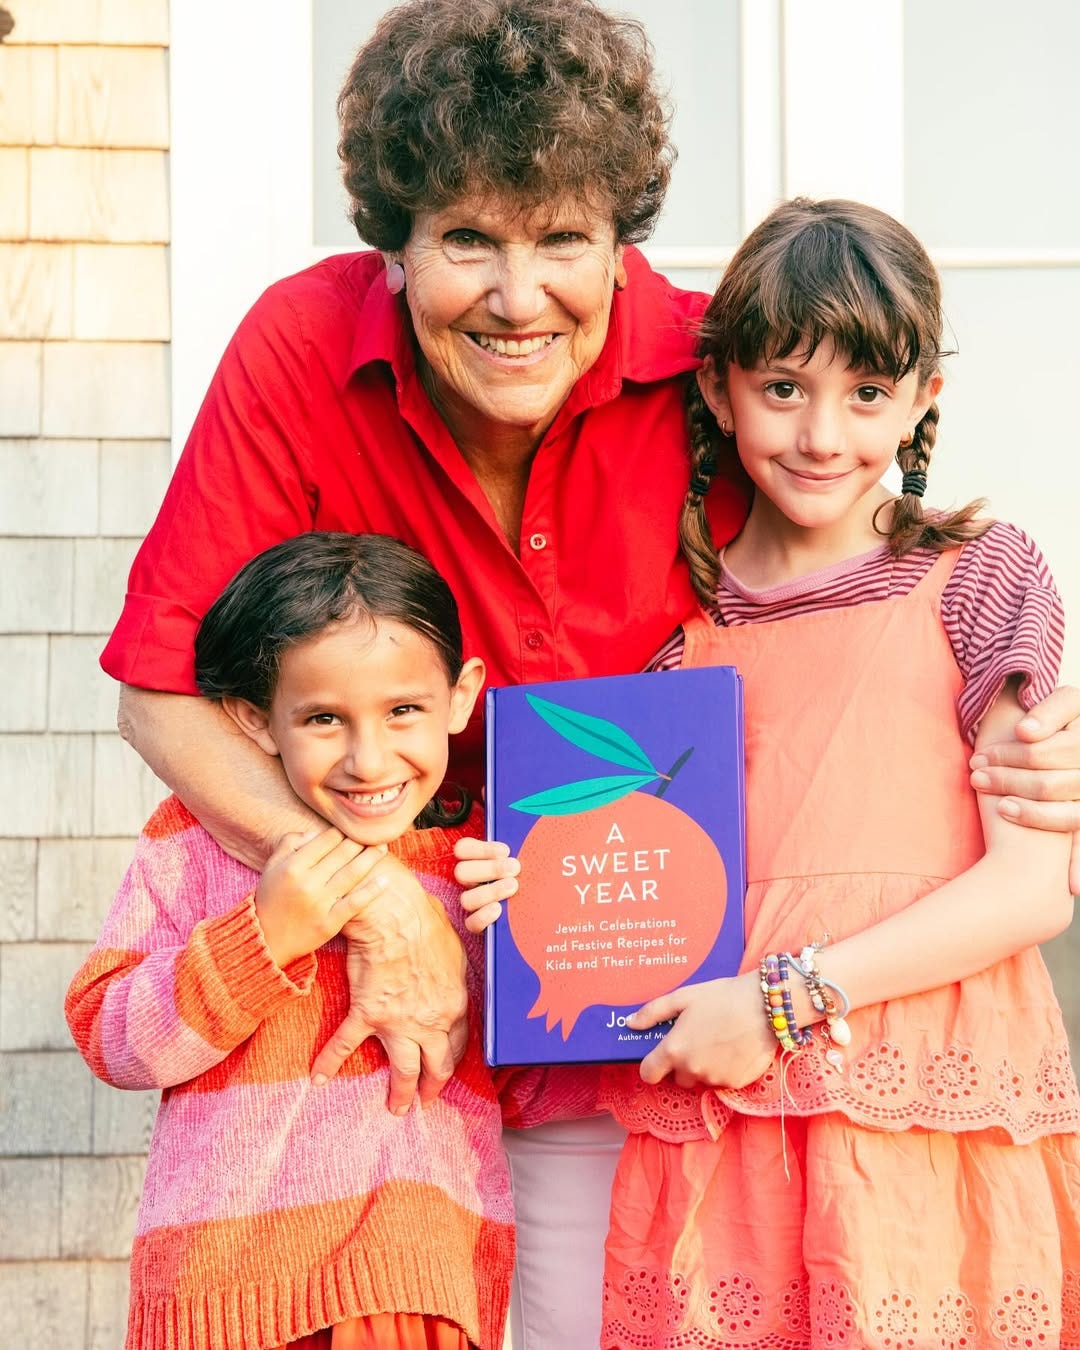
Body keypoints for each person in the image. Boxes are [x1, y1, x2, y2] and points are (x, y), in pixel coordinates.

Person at [98, 2, 1080, 1344]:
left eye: (563, 239)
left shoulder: (721, 376)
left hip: (700, 1039)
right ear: (393, 242)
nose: (520, 298)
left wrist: (1031, 723)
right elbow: (161, 689)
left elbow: (861, 601)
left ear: (622, 241)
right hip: (401, 1035)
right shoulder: (301, 350)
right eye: (467, 240)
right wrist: (379, 908)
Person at [593, 198, 1080, 1348]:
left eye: (866, 393)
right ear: (719, 391)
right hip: (728, 1135)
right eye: (783, 387)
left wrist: (785, 1003)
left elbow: (1030, 888)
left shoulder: (980, 576)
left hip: (928, 1125)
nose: (823, 435)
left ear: (921, 401)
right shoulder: (679, 631)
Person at [67, 532, 520, 1350]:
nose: (368, 759)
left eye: (403, 711)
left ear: (460, 698)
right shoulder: (195, 841)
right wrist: (263, 937)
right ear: (256, 719)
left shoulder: (477, 864)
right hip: (217, 1293)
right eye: (323, 719)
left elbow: (528, 1075)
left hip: (413, 1280)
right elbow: (111, 1037)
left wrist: (513, 937)